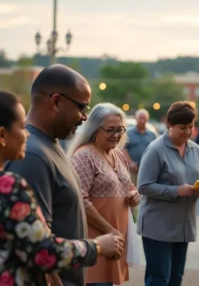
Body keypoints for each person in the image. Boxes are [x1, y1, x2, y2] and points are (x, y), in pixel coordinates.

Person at [0, 91, 125, 285]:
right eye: (22, 127)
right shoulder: (9, 184)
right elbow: (42, 251)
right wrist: (96, 246)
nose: (26, 134)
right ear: (2, 134)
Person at [5, 64, 100, 286]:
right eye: (82, 107)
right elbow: (38, 248)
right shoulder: (33, 156)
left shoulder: (49, 145)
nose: (85, 117)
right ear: (56, 102)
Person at [137, 101, 199, 286]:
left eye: (191, 127)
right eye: (182, 127)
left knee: (176, 278)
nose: (187, 132)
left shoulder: (197, 150)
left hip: (183, 227)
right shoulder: (155, 150)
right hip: (158, 228)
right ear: (169, 124)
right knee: (159, 280)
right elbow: (143, 186)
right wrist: (177, 191)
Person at [69, 103, 140, 286]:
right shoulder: (84, 156)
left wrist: (133, 194)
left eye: (120, 129)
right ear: (95, 129)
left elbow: (128, 186)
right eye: (110, 130)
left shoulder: (118, 155)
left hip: (115, 239)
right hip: (96, 241)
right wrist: (110, 231)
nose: (116, 135)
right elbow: (81, 201)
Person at [122, 109, 156, 186]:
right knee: (132, 190)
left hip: (147, 169)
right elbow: (123, 148)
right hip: (132, 169)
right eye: (140, 118)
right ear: (135, 118)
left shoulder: (152, 135)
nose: (142, 121)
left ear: (147, 119)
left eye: (144, 118)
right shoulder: (128, 133)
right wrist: (130, 163)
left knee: (146, 190)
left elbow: (155, 151)